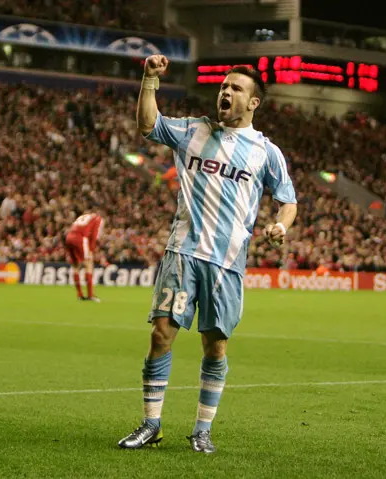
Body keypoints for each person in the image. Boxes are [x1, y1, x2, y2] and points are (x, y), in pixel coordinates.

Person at [118, 55, 298, 453]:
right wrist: (150, 80)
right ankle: (151, 424)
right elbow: (148, 125)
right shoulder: (193, 131)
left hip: (227, 263)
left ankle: (202, 430)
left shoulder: (266, 152)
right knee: (161, 334)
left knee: (215, 346)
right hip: (183, 251)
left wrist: (280, 225)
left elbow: (288, 201)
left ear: (253, 102)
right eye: (223, 86)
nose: (226, 92)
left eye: (236, 88)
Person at [64, 212, 104, 302]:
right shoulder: (98, 219)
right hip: (80, 238)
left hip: (69, 237)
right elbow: (94, 235)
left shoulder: (83, 216)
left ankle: (79, 294)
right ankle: (90, 295)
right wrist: (91, 249)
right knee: (89, 264)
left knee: (75, 265)